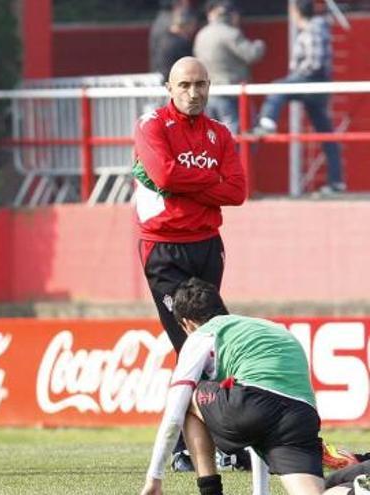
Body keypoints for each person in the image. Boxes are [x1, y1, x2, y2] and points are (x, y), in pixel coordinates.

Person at [132, 55, 247, 471]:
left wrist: (188, 183)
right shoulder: (152, 126)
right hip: (163, 249)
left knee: (216, 346)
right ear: (170, 88)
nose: (193, 93)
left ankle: (224, 445)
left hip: (207, 245)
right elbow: (162, 175)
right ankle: (188, 449)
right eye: (185, 85)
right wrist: (209, 184)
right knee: (192, 346)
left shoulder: (219, 134)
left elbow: (237, 191)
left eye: (201, 85)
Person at [140, 278, 325, 495]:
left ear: (188, 324)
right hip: (301, 416)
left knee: (188, 398)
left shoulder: (202, 334)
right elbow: (263, 417)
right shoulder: (268, 327)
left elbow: (174, 413)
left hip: (251, 405)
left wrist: (154, 478)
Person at [253, 0, 345, 193]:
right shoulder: (315, 28)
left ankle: (267, 123)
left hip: (311, 82)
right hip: (313, 84)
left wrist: (295, 77)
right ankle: (337, 182)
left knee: (278, 87)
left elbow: (315, 63)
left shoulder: (313, 29)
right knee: (326, 133)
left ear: (296, 12)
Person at [193, 0, 266, 133]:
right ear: (232, 15)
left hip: (209, 91)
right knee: (233, 133)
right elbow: (251, 54)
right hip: (229, 91)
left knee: (210, 134)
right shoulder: (231, 33)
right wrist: (260, 45)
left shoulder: (201, 34)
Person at [152, 6, 200, 81]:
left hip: (164, 79)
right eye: (192, 25)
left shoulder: (163, 39)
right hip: (178, 81)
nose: (193, 29)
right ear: (186, 25)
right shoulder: (182, 43)